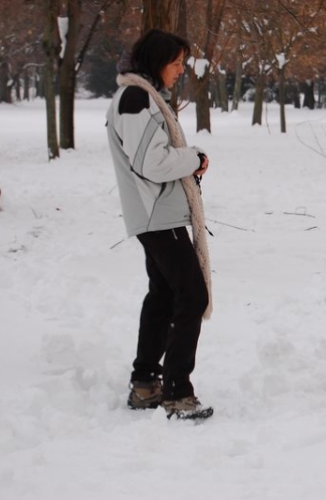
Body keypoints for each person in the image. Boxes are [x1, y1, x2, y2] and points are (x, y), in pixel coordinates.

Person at [106, 29, 214, 421]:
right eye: (176, 63)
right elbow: (150, 162)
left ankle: (145, 382)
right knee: (193, 296)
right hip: (156, 214)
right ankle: (176, 391)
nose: (180, 71)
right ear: (157, 62)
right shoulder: (137, 100)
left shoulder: (142, 97)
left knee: (164, 297)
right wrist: (193, 158)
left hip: (158, 212)